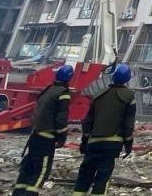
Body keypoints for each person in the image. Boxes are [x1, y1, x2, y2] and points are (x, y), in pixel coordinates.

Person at [73, 63, 136, 196]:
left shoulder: (98, 95)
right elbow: (128, 125)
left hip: (93, 143)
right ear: (127, 79)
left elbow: (87, 121)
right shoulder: (129, 97)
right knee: (102, 178)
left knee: (84, 175)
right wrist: (128, 145)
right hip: (111, 145)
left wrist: (84, 142)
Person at [11, 65, 73, 196]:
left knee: (28, 168)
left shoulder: (49, 89)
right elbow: (61, 118)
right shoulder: (63, 93)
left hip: (35, 135)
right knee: (41, 171)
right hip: (46, 139)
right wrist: (62, 137)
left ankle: (18, 193)